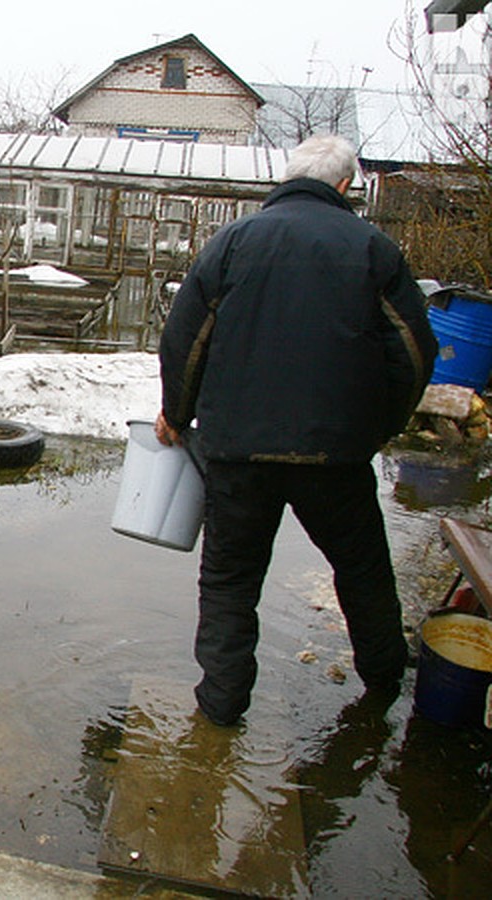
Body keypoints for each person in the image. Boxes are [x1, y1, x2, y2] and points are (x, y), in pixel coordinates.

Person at [155, 133, 438, 727]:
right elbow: (412, 354)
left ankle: (222, 707)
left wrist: (176, 414)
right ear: (344, 187)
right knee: (361, 568)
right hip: (336, 457)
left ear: (285, 180)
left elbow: (185, 339)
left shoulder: (233, 242)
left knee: (230, 582)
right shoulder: (372, 247)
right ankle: (385, 683)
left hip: (238, 454)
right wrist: (375, 429)